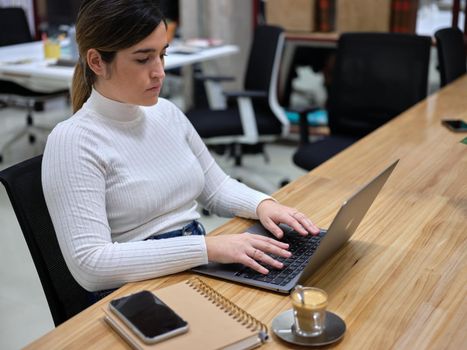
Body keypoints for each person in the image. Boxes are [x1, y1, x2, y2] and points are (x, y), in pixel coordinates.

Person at [41, 0, 320, 297]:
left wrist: (264, 205)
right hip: (137, 287)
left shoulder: (165, 112)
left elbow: (216, 188)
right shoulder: (73, 141)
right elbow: (91, 266)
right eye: (143, 59)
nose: (159, 71)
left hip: (194, 264)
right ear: (97, 62)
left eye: (162, 55)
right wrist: (208, 248)